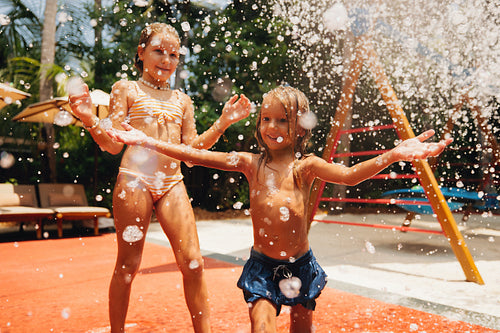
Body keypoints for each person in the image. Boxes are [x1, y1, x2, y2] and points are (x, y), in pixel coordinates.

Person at [107, 85, 453, 332]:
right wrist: (149, 141)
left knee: (301, 327)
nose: (271, 128)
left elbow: (349, 176)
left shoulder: (307, 168)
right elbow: (195, 155)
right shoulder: (250, 164)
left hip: (301, 267)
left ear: (299, 127)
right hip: (262, 269)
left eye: (282, 121)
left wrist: (392, 154)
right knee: (261, 322)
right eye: (266, 119)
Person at [68, 22, 251, 333]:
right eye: (158, 51)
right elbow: (112, 144)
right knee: (128, 266)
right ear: (141, 53)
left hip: (171, 183)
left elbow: (191, 154)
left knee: (194, 263)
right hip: (134, 181)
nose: (166, 59)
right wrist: (88, 118)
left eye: (173, 54)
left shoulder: (183, 100)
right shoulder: (125, 89)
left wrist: (222, 123)